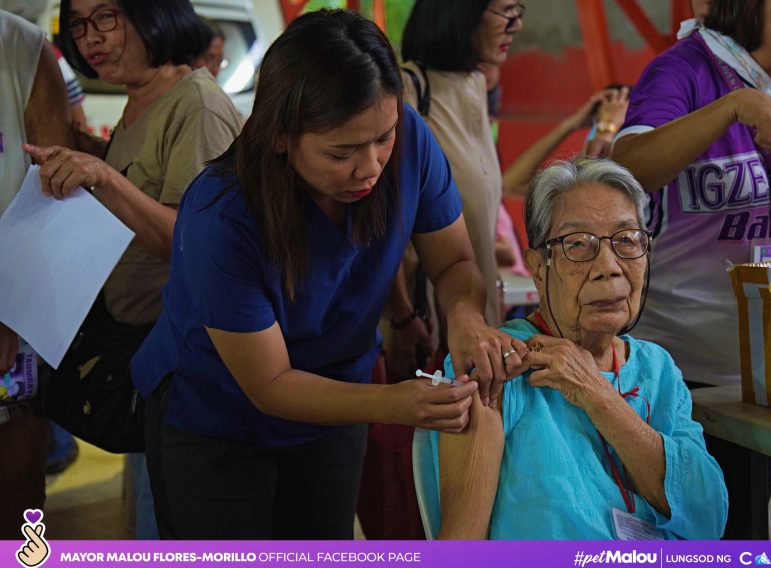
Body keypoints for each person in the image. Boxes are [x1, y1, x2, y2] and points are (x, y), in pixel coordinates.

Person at [130, 9, 525, 540]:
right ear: (280, 135)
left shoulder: (409, 139)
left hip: (336, 408)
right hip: (218, 421)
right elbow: (270, 384)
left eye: (382, 138)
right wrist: (398, 404)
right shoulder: (220, 215)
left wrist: (465, 318)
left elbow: (453, 262)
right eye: (341, 152)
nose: (370, 166)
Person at [610, 0, 771, 538]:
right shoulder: (682, 72)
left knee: (750, 528)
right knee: (694, 536)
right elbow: (622, 172)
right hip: (678, 383)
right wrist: (731, 109)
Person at [24, 0, 242, 539]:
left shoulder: (196, 104)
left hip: (184, 369)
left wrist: (102, 175)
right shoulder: (143, 100)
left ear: (155, 14)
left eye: (107, 17)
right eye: (77, 24)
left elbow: (194, 241)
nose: (90, 37)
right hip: (143, 358)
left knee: (171, 523)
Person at [431, 157, 727, 539]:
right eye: (578, 245)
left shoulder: (658, 370)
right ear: (538, 267)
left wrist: (596, 393)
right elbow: (459, 550)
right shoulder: (498, 365)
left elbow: (709, 520)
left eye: (626, 241)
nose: (609, 266)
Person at [400, 0, 525, 330]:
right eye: (507, 11)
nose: (517, 25)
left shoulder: (473, 85)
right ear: (461, 12)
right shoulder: (409, 90)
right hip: (430, 321)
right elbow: (387, 227)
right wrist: (404, 318)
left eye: (519, 12)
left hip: (479, 318)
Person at [0, 8, 75, 538]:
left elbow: (52, 192)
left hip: (12, 314)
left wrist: (10, 307)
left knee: (17, 483)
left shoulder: (22, 49)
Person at [502, 85, 631, 196]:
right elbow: (511, 185)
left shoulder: (637, 175)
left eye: (615, 129)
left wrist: (607, 127)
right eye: (596, 126)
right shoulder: (570, 185)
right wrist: (569, 125)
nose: (597, 141)